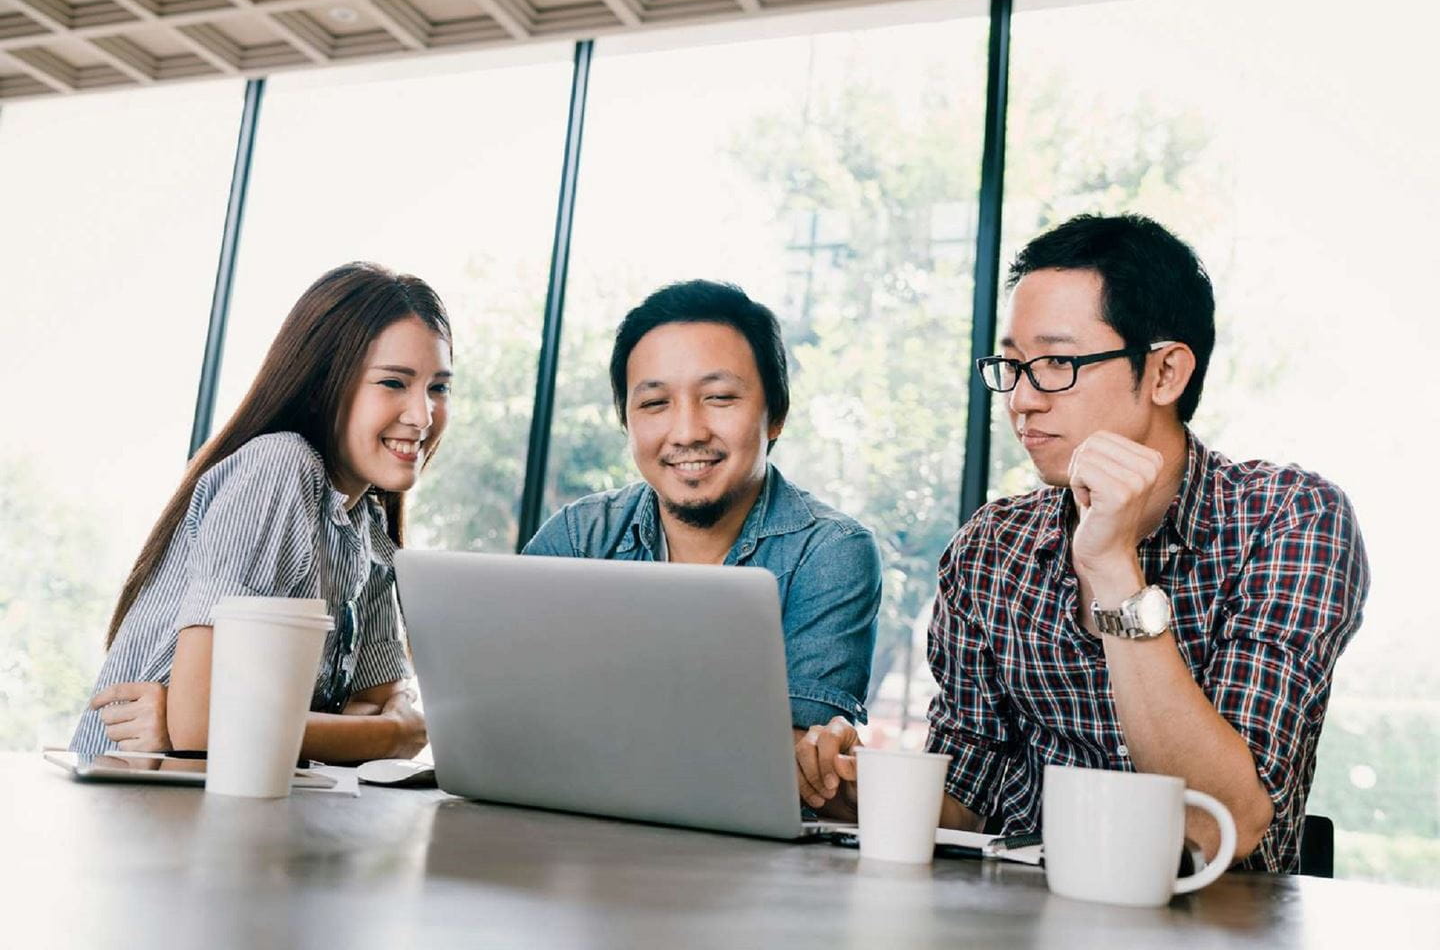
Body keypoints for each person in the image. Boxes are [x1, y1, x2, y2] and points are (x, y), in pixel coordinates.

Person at [794, 214, 1368, 872]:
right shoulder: (991, 548)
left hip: (1210, 924)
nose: (1022, 402)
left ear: (1164, 373)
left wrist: (1112, 567)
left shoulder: (1288, 518)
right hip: (1010, 923)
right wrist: (849, 788)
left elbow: (1225, 826)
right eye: (1011, 366)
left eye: (1057, 364)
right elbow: (967, 801)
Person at [69, 262, 451, 762]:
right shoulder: (279, 467)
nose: (423, 416)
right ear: (324, 384)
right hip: (133, 812)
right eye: (394, 383)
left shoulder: (366, 525)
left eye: (438, 388)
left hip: (231, 812)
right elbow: (202, 726)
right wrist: (390, 733)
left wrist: (242, 723)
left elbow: (382, 702)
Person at [523, 279, 882, 754]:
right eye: (654, 403)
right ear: (627, 422)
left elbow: (792, 761)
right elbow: (509, 704)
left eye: (719, 397)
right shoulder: (579, 535)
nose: (687, 432)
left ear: (776, 414)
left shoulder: (831, 552)